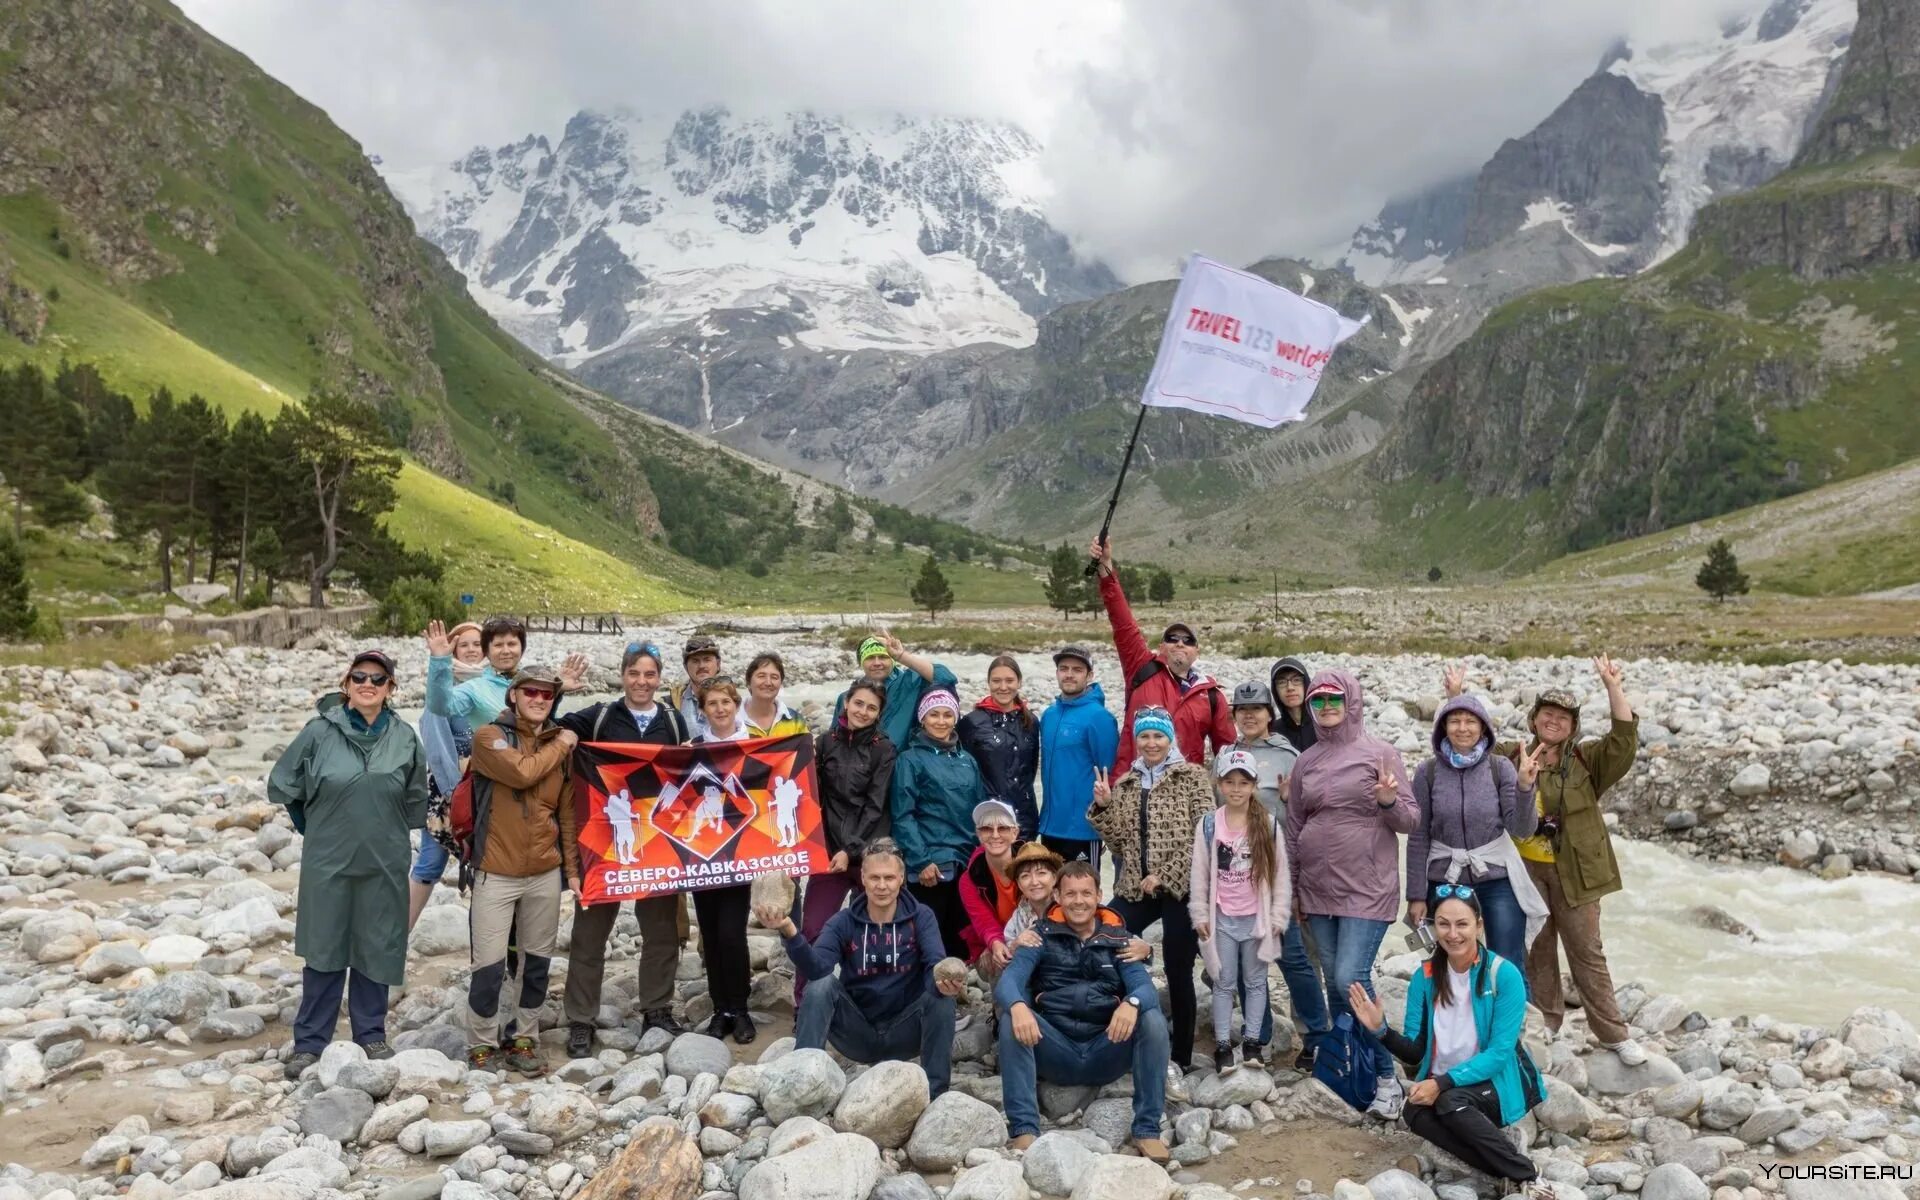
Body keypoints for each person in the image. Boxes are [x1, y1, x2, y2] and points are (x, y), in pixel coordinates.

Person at [1465, 657, 1648, 1066]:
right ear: (1534, 720)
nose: (1554, 722)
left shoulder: (1588, 760)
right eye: (1547, 714)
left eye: (1563, 718)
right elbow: (1471, 743)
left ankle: (1614, 1034)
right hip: (1523, 870)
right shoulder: (1512, 755)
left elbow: (1624, 739)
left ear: (1573, 727)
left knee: (1587, 952)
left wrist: (1613, 686)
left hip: (1577, 873)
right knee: (1537, 950)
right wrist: (1456, 696)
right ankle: (1548, 1022)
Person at [271, 650, 428, 1080]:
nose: (368, 684)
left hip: (384, 856)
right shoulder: (318, 732)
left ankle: (371, 1034)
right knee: (324, 945)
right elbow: (286, 785)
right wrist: (315, 829)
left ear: (390, 688)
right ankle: (309, 1044)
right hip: (328, 859)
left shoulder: (404, 736)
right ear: (346, 684)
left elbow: (416, 799)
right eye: (359, 677)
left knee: (378, 942)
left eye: (378, 679)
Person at [1348, 888, 1549, 1197]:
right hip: (1448, 1085)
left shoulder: (1502, 975)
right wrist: (1381, 1031)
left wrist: (1440, 1084)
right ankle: (1498, 1170)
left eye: (1462, 924)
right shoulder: (1424, 977)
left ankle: (1528, 1174)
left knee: (1448, 1102)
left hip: (1494, 1082)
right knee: (1413, 1112)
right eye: (1443, 924)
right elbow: (1416, 1052)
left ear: (1479, 925)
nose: (1453, 934)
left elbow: (1498, 1055)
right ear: (1432, 927)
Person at [1286, 670, 1419, 1119]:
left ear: (1352, 702)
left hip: (1367, 886)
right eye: (1317, 701)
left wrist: (1386, 800)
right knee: (1335, 988)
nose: (1325, 708)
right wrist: (1292, 888)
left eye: (1333, 700)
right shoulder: (1307, 760)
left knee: (1350, 977)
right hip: (1317, 889)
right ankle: (1351, 1069)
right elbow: (1294, 828)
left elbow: (1410, 822)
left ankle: (1386, 1076)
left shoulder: (1381, 753)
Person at [556, 642, 693, 1056]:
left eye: (650, 675)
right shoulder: (598, 716)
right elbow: (548, 724)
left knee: (661, 932)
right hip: (603, 843)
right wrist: (561, 696)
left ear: (659, 678)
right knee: (589, 934)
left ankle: (656, 1007)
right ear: (622, 675)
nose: (642, 682)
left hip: (658, 844)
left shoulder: (672, 720)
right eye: (634, 673)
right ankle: (580, 1019)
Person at [996, 861, 1172, 1164]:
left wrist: (1131, 1005)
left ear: (1098, 895)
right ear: (1058, 897)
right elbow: (1008, 983)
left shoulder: (1118, 938)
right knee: (1013, 1014)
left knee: (1152, 1018)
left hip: (1106, 1049)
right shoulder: (1039, 936)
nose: (1079, 901)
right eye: (1071, 894)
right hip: (1055, 1050)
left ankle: (1146, 1129)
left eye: (1086, 893)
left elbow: (1144, 988)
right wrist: (1018, 1006)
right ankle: (1024, 1127)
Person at [764, 839, 965, 1095]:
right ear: (863, 878)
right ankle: (803, 1078)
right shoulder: (843, 921)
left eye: (889, 878)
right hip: (857, 1033)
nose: (882, 886)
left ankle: (937, 1093)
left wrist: (942, 984)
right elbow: (817, 969)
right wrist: (790, 932)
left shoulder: (921, 917)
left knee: (942, 998)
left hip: (905, 1032)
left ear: (902, 878)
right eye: (875, 878)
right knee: (820, 985)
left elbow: (933, 968)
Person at [462, 664, 581, 1074]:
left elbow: (565, 814)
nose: (538, 699)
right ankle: (481, 1042)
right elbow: (522, 772)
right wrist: (563, 742)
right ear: (513, 695)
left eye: (547, 694)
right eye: (530, 691)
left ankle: (524, 1036)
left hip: (544, 871)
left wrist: (574, 870)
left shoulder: (556, 746)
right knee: (489, 964)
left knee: (536, 962)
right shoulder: (489, 737)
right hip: (495, 870)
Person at [1087, 706, 1216, 1076]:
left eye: (1158, 735)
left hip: (1181, 886)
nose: (1151, 742)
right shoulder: (1127, 782)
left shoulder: (1192, 777)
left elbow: (1206, 835)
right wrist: (1104, 805)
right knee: (1104, 932)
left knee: (1178, 964)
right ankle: (1112, 1023)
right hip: (1135, 885)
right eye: (1144, 736)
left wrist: (1164, 874)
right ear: (1136, 740)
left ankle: (1182, 1053)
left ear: (1170, 738)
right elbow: (1117, 838)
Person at [1406, 689, 1546, 973]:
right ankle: (1455, 1017)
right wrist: (1417, 895)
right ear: (1443, 727)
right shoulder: (1427, 772)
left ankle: (1513, 1017)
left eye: (1470, 721)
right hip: (1446, 879)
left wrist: (1524, 788)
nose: (1462, 728)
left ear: (1483, 726)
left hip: (1496, 879)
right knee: (1450, 961)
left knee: (1507, 963)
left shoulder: (1500, 767)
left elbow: (1521, 829)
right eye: (1454, 721)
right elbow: (1418, 836)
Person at [1225, 679, 1327, 1066]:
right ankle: (1258, 1036)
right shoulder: (1225, 756)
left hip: (1276, 873)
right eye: (1242, 710)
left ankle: (1317, 1036)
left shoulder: (1289, 757)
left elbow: (1303, 820)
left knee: (1293, 959)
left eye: (1256, 710)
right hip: (1235, 875)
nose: (1249, 716)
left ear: (1270, 714)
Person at [1088, 537, 1234, 776]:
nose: (1180, 643)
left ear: (1197, 652)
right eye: (1172, 638)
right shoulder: (1141, 668)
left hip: (1182, 799)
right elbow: (1122, 622)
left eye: (1188, 641)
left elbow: (1227, 752)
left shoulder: (1212, 696)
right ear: (1161, 647)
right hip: (1133, 790)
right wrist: (1105, 565)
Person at [1189, 750, 1291, 1074]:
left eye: (1243, 783)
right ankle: (1222, 1046)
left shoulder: (1269, 826)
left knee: (1257, 981)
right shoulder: (1208, 825)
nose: (1236, 789)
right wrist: (1200, 916)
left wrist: (1277, 918)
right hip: (1222, 918)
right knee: (1223, 981)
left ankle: (1252, 1044)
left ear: (1253, 785)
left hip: (1256, 919)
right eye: (1229, 782)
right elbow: (1200, 875)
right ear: (1219, 784)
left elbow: (1281, 877)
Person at [799, 678, 896, 1005]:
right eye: (858, 704)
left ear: (879, 713)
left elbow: (875, 806)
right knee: (813, 930)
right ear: (845, 703)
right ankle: (806, 1003)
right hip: (828, 852)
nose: (863, 712)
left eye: (871, 707)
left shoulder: (884, 748)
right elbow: (813, 798)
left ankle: (867, 1001)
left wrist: (849, 850)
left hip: (868, 853)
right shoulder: (825, 742)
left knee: (872, 933)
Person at [689, 676, 759, 1043]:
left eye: (726, 702)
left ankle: (741, 1008)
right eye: (712, 703)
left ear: (736, 705)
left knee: (733, 934)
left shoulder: (756, 744)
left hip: (741, 854)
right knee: (712, 934)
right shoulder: (692, 749)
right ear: (703, 710)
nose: (719, 709)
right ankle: (721, 1009)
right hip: (702, 855)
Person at [891, 690, 985, 960]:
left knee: (958, 933)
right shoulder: (909, 760)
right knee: (926, 935)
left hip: (965, 860)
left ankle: (952, 992)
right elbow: (903, 815)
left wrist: (980, 858)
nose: (941, 721)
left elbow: (979, 811)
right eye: (934, 714)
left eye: (947, 715)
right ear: (923, 719)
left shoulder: (968, 761)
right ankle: (923, 992)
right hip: (931, 862)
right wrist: (920, 860)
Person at [410, 620, 483, 928]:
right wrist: (456, 795)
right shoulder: (442, 690)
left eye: (477, 644)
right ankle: (396, 942)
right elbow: (437, 749)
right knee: (430, 862)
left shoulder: (495, 686)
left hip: (489, 791)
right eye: (462, 644)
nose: (470, 650)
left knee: (488, 869)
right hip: (448, 791)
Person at [1036, 644, 1119, 867]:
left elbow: (1108, 772)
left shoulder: (1100, 718)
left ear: (1089, 675)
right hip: (1050, 825)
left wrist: (1104, 820)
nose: (1069, 674)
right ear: (1057, 673)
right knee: (1051, 895)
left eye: (1077, 669)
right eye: (1064, 668)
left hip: (1082, 829)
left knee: (1082, 896)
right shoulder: (1049, 715)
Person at [958, 655, 1041, 839]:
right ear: (988, 683)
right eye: (996, 681)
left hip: (1025, 819)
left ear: (1019, 682)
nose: (1003, 687)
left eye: (1009, 680)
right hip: (988, 819)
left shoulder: (1031, 722)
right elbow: (963, 773)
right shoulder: (972, 722)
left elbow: (1030, 770)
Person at [835, 631, 958, 752]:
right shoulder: (847, 697)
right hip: (859, 767)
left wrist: (901, 656)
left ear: (892, 660)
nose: (877, 663)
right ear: (861, 663)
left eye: (883, 657)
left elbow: (946, 679)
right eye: (870, 658)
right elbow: (835, 737)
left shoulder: (910, 683)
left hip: (902, 765)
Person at [956, 799, 1024, 977]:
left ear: (1015, 833)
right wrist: (995, 943)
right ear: (978, 834)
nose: (995, 835)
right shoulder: (969, 879)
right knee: (994, 960)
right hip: (995, 936)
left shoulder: (1032, 865)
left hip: (1029, 933)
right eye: (986, 829)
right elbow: (983, 921)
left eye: (1002, 828)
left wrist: (1019, 942)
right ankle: (1003, 1002)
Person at [743, 652, 809, 737]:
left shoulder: (795, 721)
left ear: (780, 683)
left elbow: (807, 749)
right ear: (748, 682)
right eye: (761, 676)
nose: (768, 683)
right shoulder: (733, 719)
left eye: (774, 677)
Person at [671, 634, 723, 740]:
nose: (702, 666)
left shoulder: (732, 700)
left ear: (718, 664)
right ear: (685, 667)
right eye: (695, 661)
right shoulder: (671, 703)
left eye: (707, 660)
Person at [1268, 657, 1317, 753]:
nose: (1290, 687)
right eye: (1282, 682)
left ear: (1306, 684)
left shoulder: (1323, 725)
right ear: (1275, 690)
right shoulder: (1272, 731)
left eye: (1296, 680)